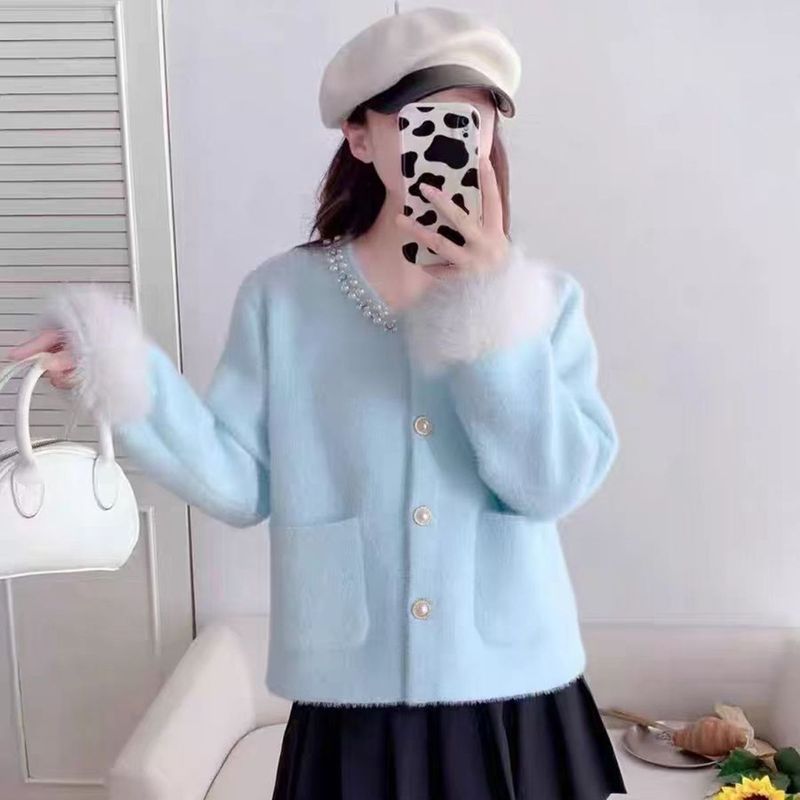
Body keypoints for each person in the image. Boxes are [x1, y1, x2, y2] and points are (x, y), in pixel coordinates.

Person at [9, 7, 628, 799]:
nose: (447, 141)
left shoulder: (544, 304)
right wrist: (119, 370)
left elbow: (550, 485)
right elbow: (239, 482)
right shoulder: (283, 297)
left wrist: (491, 315)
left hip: (512, 694)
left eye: (470, 121)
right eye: (419, 119)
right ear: (360, 138)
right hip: (350, 696)